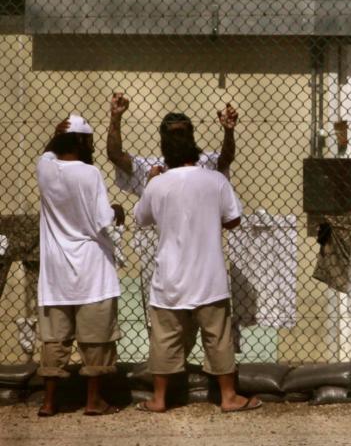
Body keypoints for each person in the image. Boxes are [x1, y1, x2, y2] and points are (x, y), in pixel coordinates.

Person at [132, 122, 260, 413]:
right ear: (194, 146)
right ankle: (228, 397)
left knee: (165, 338)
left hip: (169, 277)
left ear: (164, 151)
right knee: (217, 337)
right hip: (208, 276)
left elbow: (141, 218)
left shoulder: (157, 184)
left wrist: (150, 181)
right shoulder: (214, 180)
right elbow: (233, 220)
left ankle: (159, 399)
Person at [35, 115, 125, 417]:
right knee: (95, 337)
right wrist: (117, 211)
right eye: (89, 140)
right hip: (91, 268)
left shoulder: (44, 169)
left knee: (54, 337)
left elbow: (47, 152)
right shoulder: (90, 174)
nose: (93, 146)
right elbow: (102, 221)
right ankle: (93, 400)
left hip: (56, 269)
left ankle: (48, 401)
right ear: (81, 142)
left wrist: (55, 133)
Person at [105, 92, 238, 196]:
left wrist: (229, 131)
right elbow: (115, 156)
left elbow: (226, 159)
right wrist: (116, 118)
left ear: (191, 136)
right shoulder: (153, 168)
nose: (177, 140)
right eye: (172, 135)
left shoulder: (204, 163)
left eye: (181, 134)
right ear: (163, 139)